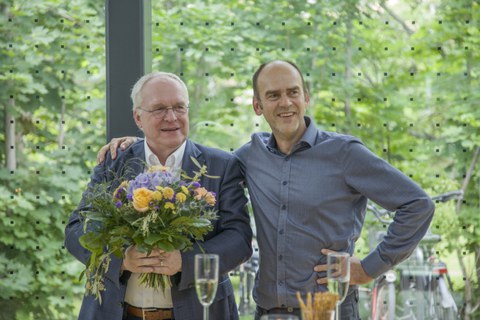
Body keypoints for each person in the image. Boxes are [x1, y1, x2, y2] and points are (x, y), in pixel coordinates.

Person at [98, 60, 435, 319]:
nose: (285, 102)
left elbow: (418, 205)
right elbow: (200, 168)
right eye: (273, 95)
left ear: (306, 97)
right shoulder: (247, 157)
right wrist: (135, 144)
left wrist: (368, 267)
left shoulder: (345, 154)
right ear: (258, 106)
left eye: (292, 92)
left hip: (327, 308)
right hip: (268, 311)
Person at [65, 72, 253, 320]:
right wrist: (121, 259)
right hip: (116, 312)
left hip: (200, 312)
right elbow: (76, 229)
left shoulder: (222, 165)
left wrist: (186, 262)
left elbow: (239, 239)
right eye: (159, 109)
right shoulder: (114, 161)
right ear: (138, 117)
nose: (171, 117)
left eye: (179, 107)